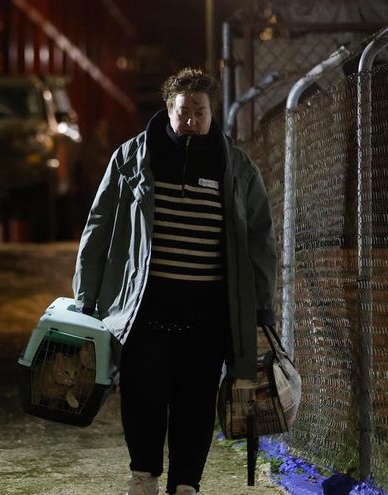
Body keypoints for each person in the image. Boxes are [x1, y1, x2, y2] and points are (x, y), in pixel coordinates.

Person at [72, 67, 277, 495]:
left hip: (208, 310)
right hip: (144, 306)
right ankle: (144, 474)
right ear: (169, 109)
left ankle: (187, 483)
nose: (191, 121)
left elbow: (260, 238)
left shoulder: (234, 166)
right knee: (142, 394)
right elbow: (98, 224)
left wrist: (261, 306)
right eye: (183, 112)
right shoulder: (132, 157)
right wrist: (85, 296)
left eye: (199, 113)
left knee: (196, 400)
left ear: (211, 112)